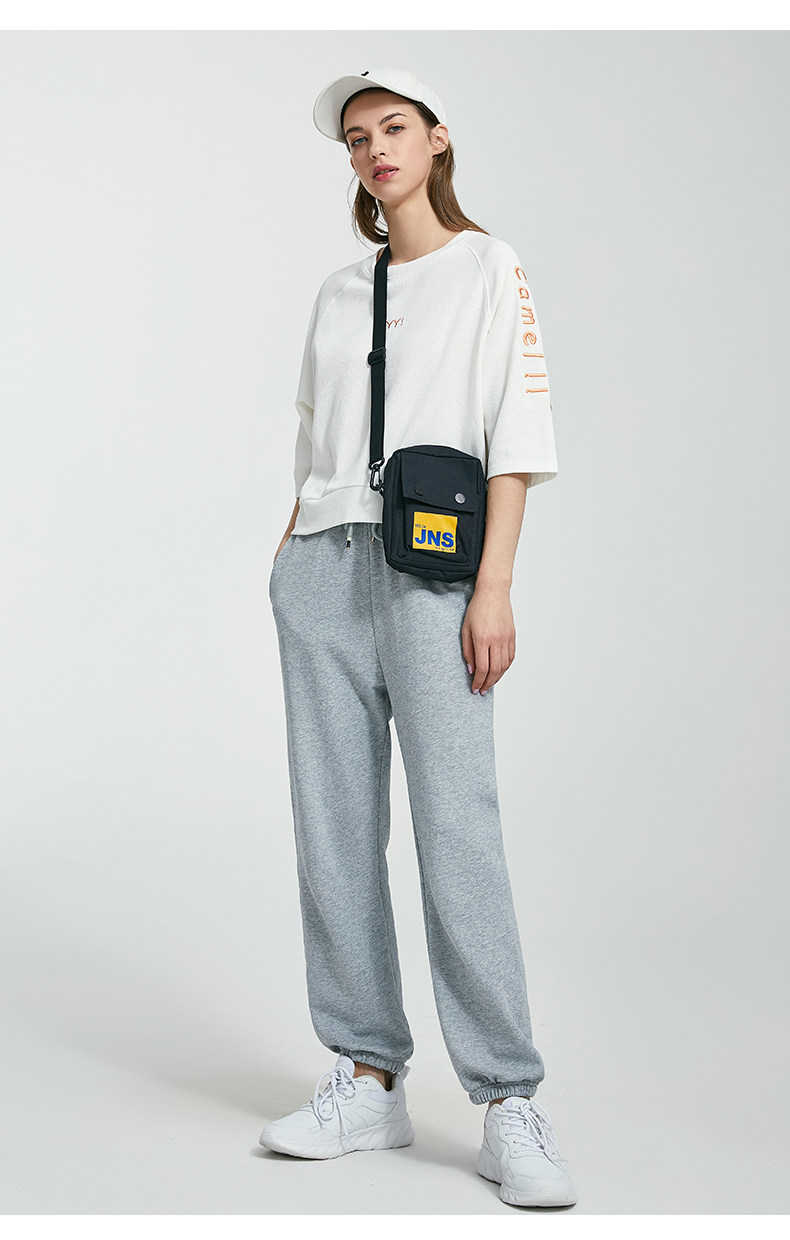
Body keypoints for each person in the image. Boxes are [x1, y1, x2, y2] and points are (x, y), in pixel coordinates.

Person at [258, 67, 577, 1210]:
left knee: (457, 825)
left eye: (392, 127)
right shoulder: (338, 291)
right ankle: (366, 1073)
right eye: (355, 138)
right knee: (334, 827)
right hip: (322, 566)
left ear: (437, 140)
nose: (373, 149)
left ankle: (507, 1096)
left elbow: (513, 433)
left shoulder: (491, 268)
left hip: (436, 572)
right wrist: (288, 562)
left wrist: (495, 586)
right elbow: (313, 439)